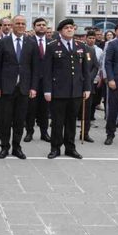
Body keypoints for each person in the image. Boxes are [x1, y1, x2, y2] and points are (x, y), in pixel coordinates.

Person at [0, 15, 39, 159]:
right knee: (5, 120)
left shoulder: (31, 43)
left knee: (20, 120)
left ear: (26, 26)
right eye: (17, 23)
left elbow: (35, 68)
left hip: (24, 88)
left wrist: (33, 87)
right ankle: (4, 146)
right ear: (12, 25)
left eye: (23, 24)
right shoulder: (3, 43)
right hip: (6, 88)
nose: (20, 26)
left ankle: (17, 147)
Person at [44, 19, 91, 159]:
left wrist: (87, 87)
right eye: (66, 28)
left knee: (71, 121)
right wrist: (47, 90)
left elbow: (85, 71)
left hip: (76, 90)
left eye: (71, 27)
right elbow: (47, 71)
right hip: (58, 91)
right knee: (57, 122)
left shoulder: (81, 46)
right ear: (60, 31)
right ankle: (55, 148)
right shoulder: (52, 46)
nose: (70, 29)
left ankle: (70, 148)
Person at [26, 17, 51, 142]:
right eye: (38, 25)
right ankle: (29, 132)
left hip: (47, 81)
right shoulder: (28, 41)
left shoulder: (52, 42)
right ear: (34, 27)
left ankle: (44, 133)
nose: (41, 26)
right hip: (32, 81)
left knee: (45, 110)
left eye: (43, 24)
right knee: (31, 108)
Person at [80, 30, 100, 142]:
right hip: (76, 85)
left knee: (87, 112)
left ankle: (85, 133)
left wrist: (89, 78)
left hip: (88, 85)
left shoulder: (91, 51)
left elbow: (95, 66)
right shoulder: (77, 49)